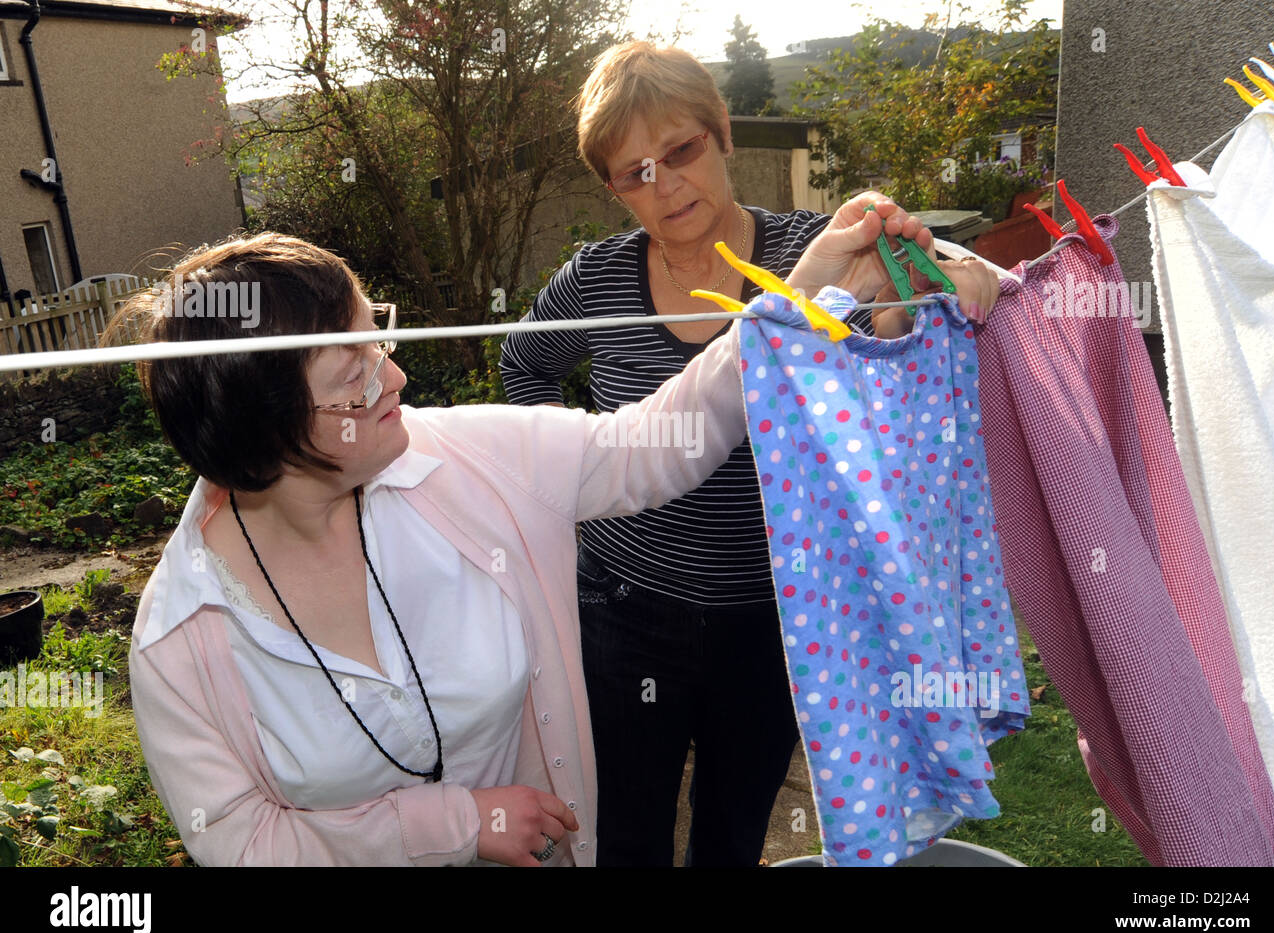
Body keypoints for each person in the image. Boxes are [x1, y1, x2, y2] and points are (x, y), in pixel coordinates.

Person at [121, 225, 998, 867]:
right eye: (352, 373)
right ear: (268, 430)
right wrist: (463, 823)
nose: (394, 374)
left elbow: (653, 448)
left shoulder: (464, 459)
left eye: (376, 336)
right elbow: (238, 838)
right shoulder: (181, 637)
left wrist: (793, 301)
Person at [498, 40, 1000, 867]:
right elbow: (524, 363)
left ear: (722, 132)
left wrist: (947, 266)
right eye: (634, 173)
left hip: (776, 614)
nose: (665, 184)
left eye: (681, 151)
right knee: (624, 828)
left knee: (735, 829)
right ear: (613, 189)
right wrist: (570, 486)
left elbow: (902, 327)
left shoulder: (812, 256)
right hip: (625, 610)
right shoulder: (594, 280)